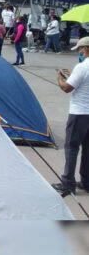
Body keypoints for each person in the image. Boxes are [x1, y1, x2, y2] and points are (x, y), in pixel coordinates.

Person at [53, 36, 89, 196]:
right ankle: (86, 181)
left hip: (79, 113)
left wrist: (60, 78)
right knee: (88, 149)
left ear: (86, 49)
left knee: (71, 148)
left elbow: (67, 88)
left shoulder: (82, 67)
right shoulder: (81, 68)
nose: (80, 52)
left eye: (81, 49)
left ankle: (68, 182)